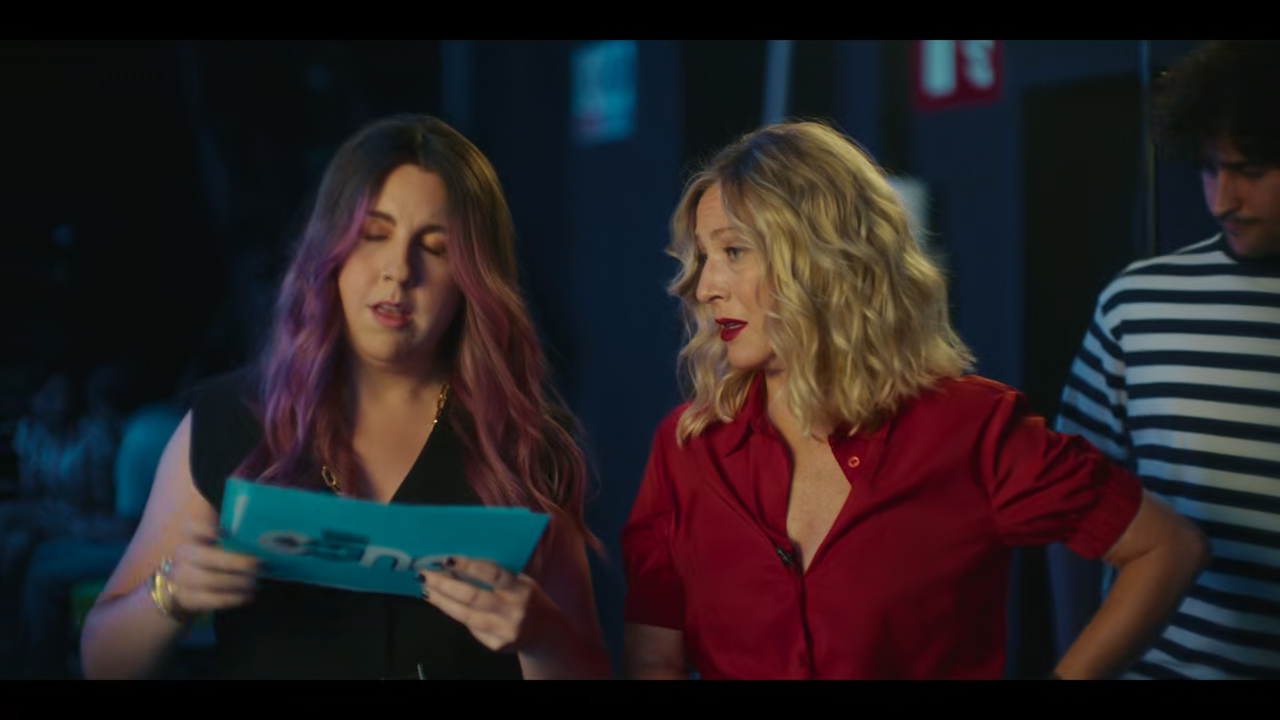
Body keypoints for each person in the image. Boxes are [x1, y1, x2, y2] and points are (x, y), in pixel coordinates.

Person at [621, 120, 1211, 680]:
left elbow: (1167, 548)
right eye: (703, 257)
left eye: (734, 252)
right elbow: (654, 660)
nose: (705, 286)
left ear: (821, 258)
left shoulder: (972, 429)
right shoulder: (686, 447)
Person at [80, 114, 611, 680]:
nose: (398, 271)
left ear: (471, 279)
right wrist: (172, 592)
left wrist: (541, 634)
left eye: (435, 247)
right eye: (374, 234)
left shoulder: (524, 446)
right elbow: (102, 664)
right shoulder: (228, 423)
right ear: (329, 252)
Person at [1052, 41, 1280, 679]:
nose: (1222, 199)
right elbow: (1070, 508)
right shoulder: (1137, 304)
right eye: (1210, 169)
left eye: (1250, 169)